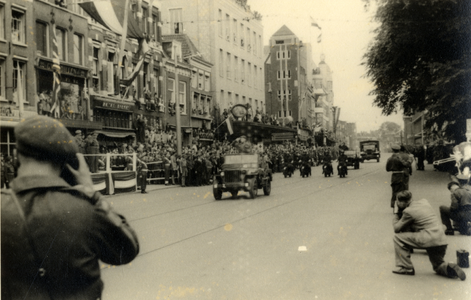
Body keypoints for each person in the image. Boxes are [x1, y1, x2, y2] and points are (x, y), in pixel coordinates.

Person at [1, 115, 139, 299]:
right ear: (65, 164)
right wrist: (91, 193)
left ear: (18, 156)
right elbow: (128, 249)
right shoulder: (85, 210)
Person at [392, 190, 466, 280]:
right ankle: (450, 267)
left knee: (398, 238)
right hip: (441, 239)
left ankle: (406, 267)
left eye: (398, 202)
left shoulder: (408, 211)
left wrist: (396, 213)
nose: (397, 204)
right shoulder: (424, 201)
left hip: (428, 238)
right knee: (438, 265)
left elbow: (396, 229)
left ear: (404, 202)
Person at [386, 144, 411, 209]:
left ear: (392, 150)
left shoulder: (389, 159)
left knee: (394, 191)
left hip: (394, 176)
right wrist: (410, 160)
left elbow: (387, 169)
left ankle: (393, 204)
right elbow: (406, 165)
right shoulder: (399, 158)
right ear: (399, 150)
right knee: (404, 191)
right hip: (401, 176)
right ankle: (404, 205)